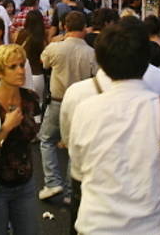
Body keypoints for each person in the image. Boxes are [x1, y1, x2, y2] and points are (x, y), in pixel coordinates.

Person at [67, 17, 160, 234]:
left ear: (101, 61)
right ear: (146, 60)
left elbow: (79, 169)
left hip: (95, 227)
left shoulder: (85, 110)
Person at [0, 44, 42, 235]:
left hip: (25, 183)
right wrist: (6, 128)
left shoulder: (30, 99)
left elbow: (35, 132)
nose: (21, 71)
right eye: (13, 67)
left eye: (22, 65)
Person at [39, 11, 96, 202]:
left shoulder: (55, 48)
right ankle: (71, 190)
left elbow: (43, 63)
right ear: (84, 28)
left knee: (47, 140)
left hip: (58, 100)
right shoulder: (91, 53)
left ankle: (53, 182)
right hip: (83, 105)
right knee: (75, 145)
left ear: (65, 26)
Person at [14, 8, 47, 104]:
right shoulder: (41, 38)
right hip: (37, 74)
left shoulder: (21, 34)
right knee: (38, 106)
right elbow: (43, 59)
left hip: (22, 74)